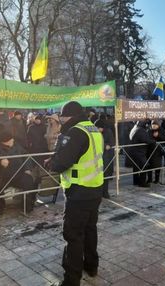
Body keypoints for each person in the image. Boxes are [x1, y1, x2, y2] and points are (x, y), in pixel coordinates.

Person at [50, 101, 103, 286]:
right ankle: (91, 265)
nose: (60, 119)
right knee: (90, 229)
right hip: (95, 188)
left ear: (68, 116)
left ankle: (71, 280)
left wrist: (51, 161)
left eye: (62, 116)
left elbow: (61, 162)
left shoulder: (75, 132)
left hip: (79, 191)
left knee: (73, 235)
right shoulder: (93, 129)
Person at [0, 131, 36, 217]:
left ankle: (27, 207)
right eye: (10, 139)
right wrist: (0, 160)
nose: (13, 140)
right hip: (3, 176)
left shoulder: (17, 146)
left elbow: (26, 156)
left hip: (18, 174)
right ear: (4, 141)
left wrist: (27, 169)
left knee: (29, 180)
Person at [128, 120, 156, 188]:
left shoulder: (135, 128)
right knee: (144, 166)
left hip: (134, 151)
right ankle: (142, 183)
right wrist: (154, 141)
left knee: (136, 167)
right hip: (139, 152)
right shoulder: (141, 130)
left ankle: (136, 181)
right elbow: (146, 140)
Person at [95, 118, 115, 198]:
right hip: (98, 157)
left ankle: (105, 192)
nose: (97, 129)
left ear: (102, 127)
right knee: (98, 175)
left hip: (106, 157)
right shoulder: (96, 132)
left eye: (98, 127)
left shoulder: (108, 132)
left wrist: (106, 146)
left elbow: (111, 143)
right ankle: (99, 192)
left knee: (105, 175)